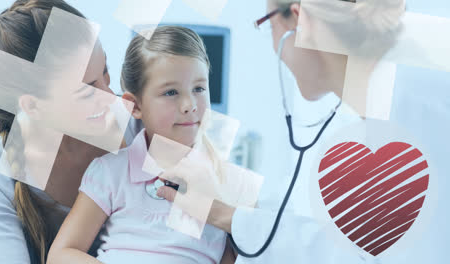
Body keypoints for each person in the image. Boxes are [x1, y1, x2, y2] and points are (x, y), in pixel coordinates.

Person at [156, 0, 406, 263]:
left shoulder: (410, 123)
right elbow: (329, 242)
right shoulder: (376, 113)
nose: (275, 46)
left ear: (299, 23)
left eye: (268, 25)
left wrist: (222, 214)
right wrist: (228, 211)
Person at [47, 26, 236, 264]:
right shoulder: (110, 172)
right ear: (134, 106)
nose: (189, 104)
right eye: (171, 92)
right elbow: (60, 255)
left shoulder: (227, 183)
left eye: (199, 88)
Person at [0, 1, 142, 263]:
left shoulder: (147, 130)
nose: (109, 97)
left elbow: (223, 223)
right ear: (33, 106)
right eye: (87, 90)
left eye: (105, 71)